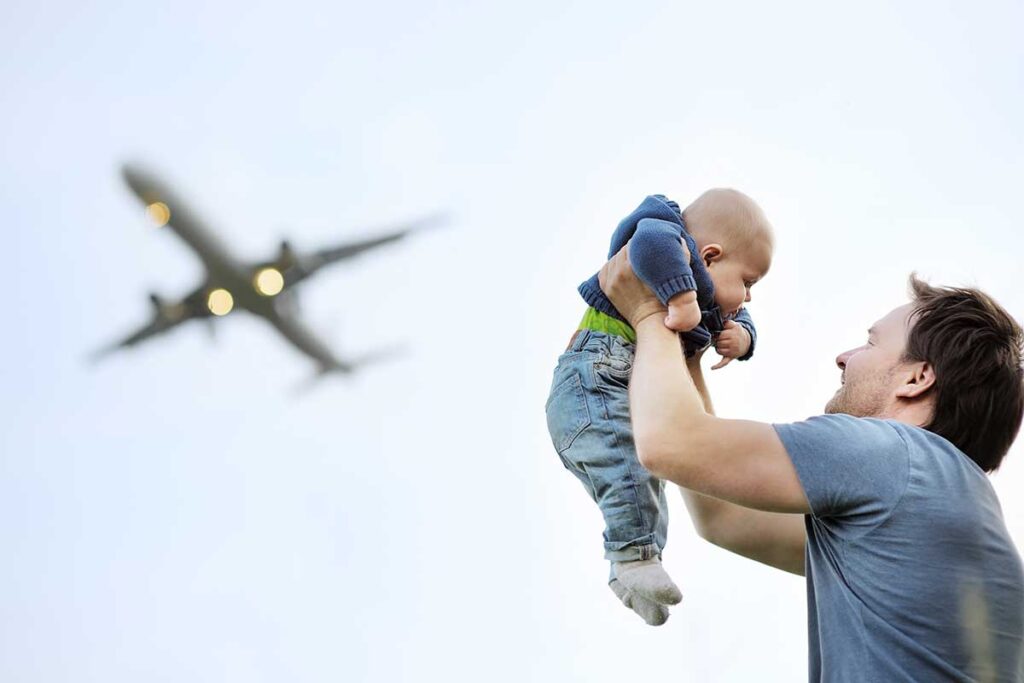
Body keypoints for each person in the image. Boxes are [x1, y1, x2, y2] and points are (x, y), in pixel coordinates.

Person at [598, 243, 1024, 681]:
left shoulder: (890, 454)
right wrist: (687, 350)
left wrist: (650, 309)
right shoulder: (944, 500)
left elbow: (669, 443)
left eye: (870, 343)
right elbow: (725, 516)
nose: (844, 356)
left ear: (917, 379)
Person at [546, 189, 773, 623]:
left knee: (645, 473)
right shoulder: (666, 238)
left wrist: (743, 339)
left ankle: (631, 565)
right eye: (748, 282)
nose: (748, 297)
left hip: (614, 386)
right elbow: (649, 242)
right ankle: (633, 558)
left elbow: (738, 317)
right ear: (708, 256)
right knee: (629, 472)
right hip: (592, 381)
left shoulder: (711, 295)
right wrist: (680, 297)